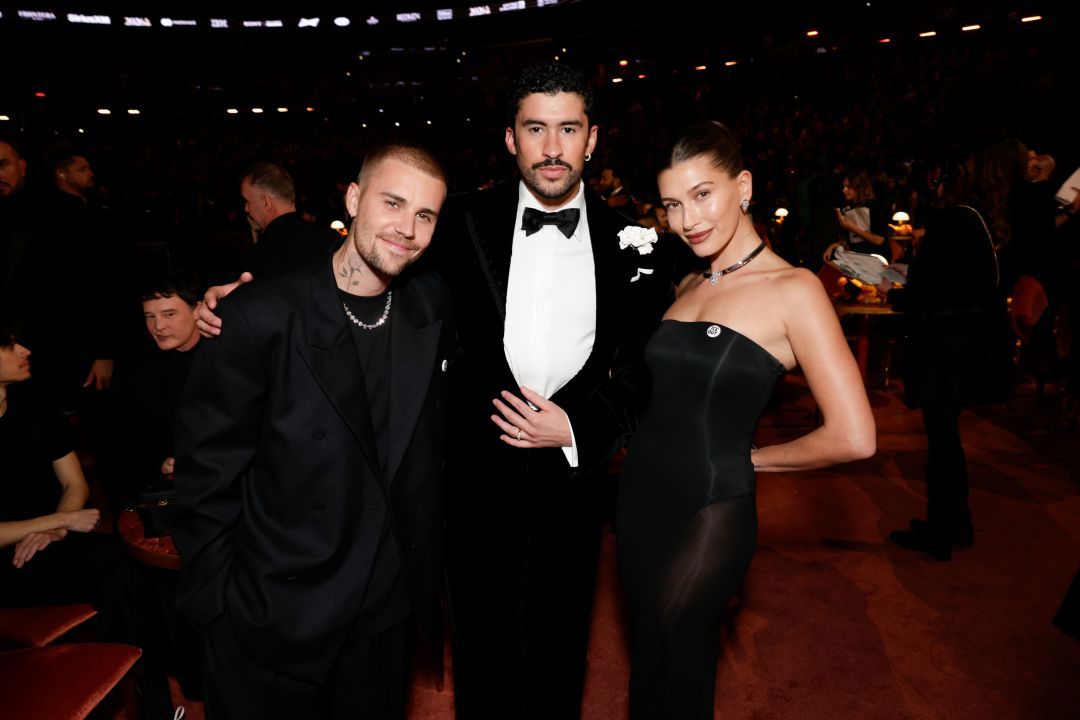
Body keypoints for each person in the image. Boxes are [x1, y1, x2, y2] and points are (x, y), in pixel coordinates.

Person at [195, 63, 675, 719]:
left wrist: (581, 429)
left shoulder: (638, 243)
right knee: (480, 660)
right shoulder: (457, 219)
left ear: (592, 140)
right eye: (536, 128)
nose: (553, 147)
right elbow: (373, 255)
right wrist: (247, 303)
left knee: (563, 655)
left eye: (569, 129)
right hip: (467, 487)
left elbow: (649, 365)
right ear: (512, 139)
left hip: (573, 486)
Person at [172, 142, 455, 719]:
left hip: (382, 616)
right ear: (353, 199)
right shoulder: (259, 315)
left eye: (425, 215)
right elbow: (205, 479)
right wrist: (220, 609)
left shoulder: (433, 306)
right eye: (393, 203)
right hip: (273, 615)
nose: (407, 228)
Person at [616, 121, 876, 719]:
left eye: (703, 194)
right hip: (637, 502)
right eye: (673, 205)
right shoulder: (684, 282)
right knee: (658, 670)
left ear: (744, 186)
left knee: (668, 640)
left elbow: (855, 436)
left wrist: (754, 459)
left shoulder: (795, 288)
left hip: (713, 507)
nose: (688, 220)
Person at [884, 145, 1012, 561]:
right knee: (947, 439)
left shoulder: (949, 219)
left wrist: (895, 294)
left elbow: (928, 289)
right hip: (969, 341)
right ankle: (957, 523)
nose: (931, 185)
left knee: (941, 441)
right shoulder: (977, 220)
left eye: (937, 178)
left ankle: (940, 534)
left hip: (945, 344)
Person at [238, 162, 339, 280]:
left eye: (247, 201)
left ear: (266, 202)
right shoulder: (333, 241)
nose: (246, 208)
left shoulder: (257, 259)